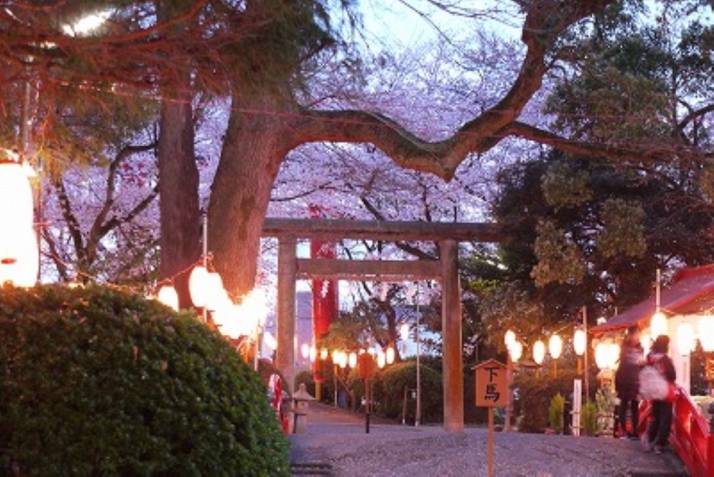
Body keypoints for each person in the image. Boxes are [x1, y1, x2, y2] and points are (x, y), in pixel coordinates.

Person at [643, 335, 676, 454]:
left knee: (655, 417)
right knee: (665, 418)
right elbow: (672, 375)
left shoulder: (650, 357)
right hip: (664, 391)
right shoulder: (665, 359)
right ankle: (659, 443)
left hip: (653, 391)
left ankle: (649, 439)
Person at [615, 325, 643, 439]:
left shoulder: (640, 348)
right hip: (625, 380)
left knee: (635, 406)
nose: (638, 337)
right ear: (631, 335)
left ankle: (635, 431)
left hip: (635, 380)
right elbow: (623, 365)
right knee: (624, 404)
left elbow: (640, 364)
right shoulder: (624, 347)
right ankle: (624, 431)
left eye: (639, 334)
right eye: (636, 334)